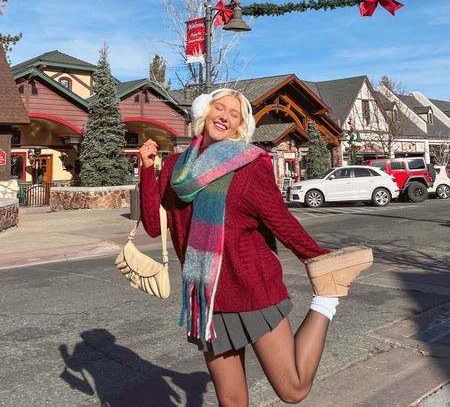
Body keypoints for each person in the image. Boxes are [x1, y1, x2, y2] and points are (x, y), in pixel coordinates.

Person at [139, 88, 373, 406]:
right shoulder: (177, 168)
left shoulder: (249, 167)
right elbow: (154, 226)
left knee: (293, 389)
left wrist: (319, 260)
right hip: (206, 299)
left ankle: (326, 300)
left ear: (239, 128)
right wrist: (146, 171)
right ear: (205, 112)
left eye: (234, 114)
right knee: (232, 400)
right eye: (219, 108)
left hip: (254, 291)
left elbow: (280, 220)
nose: (224, 116)